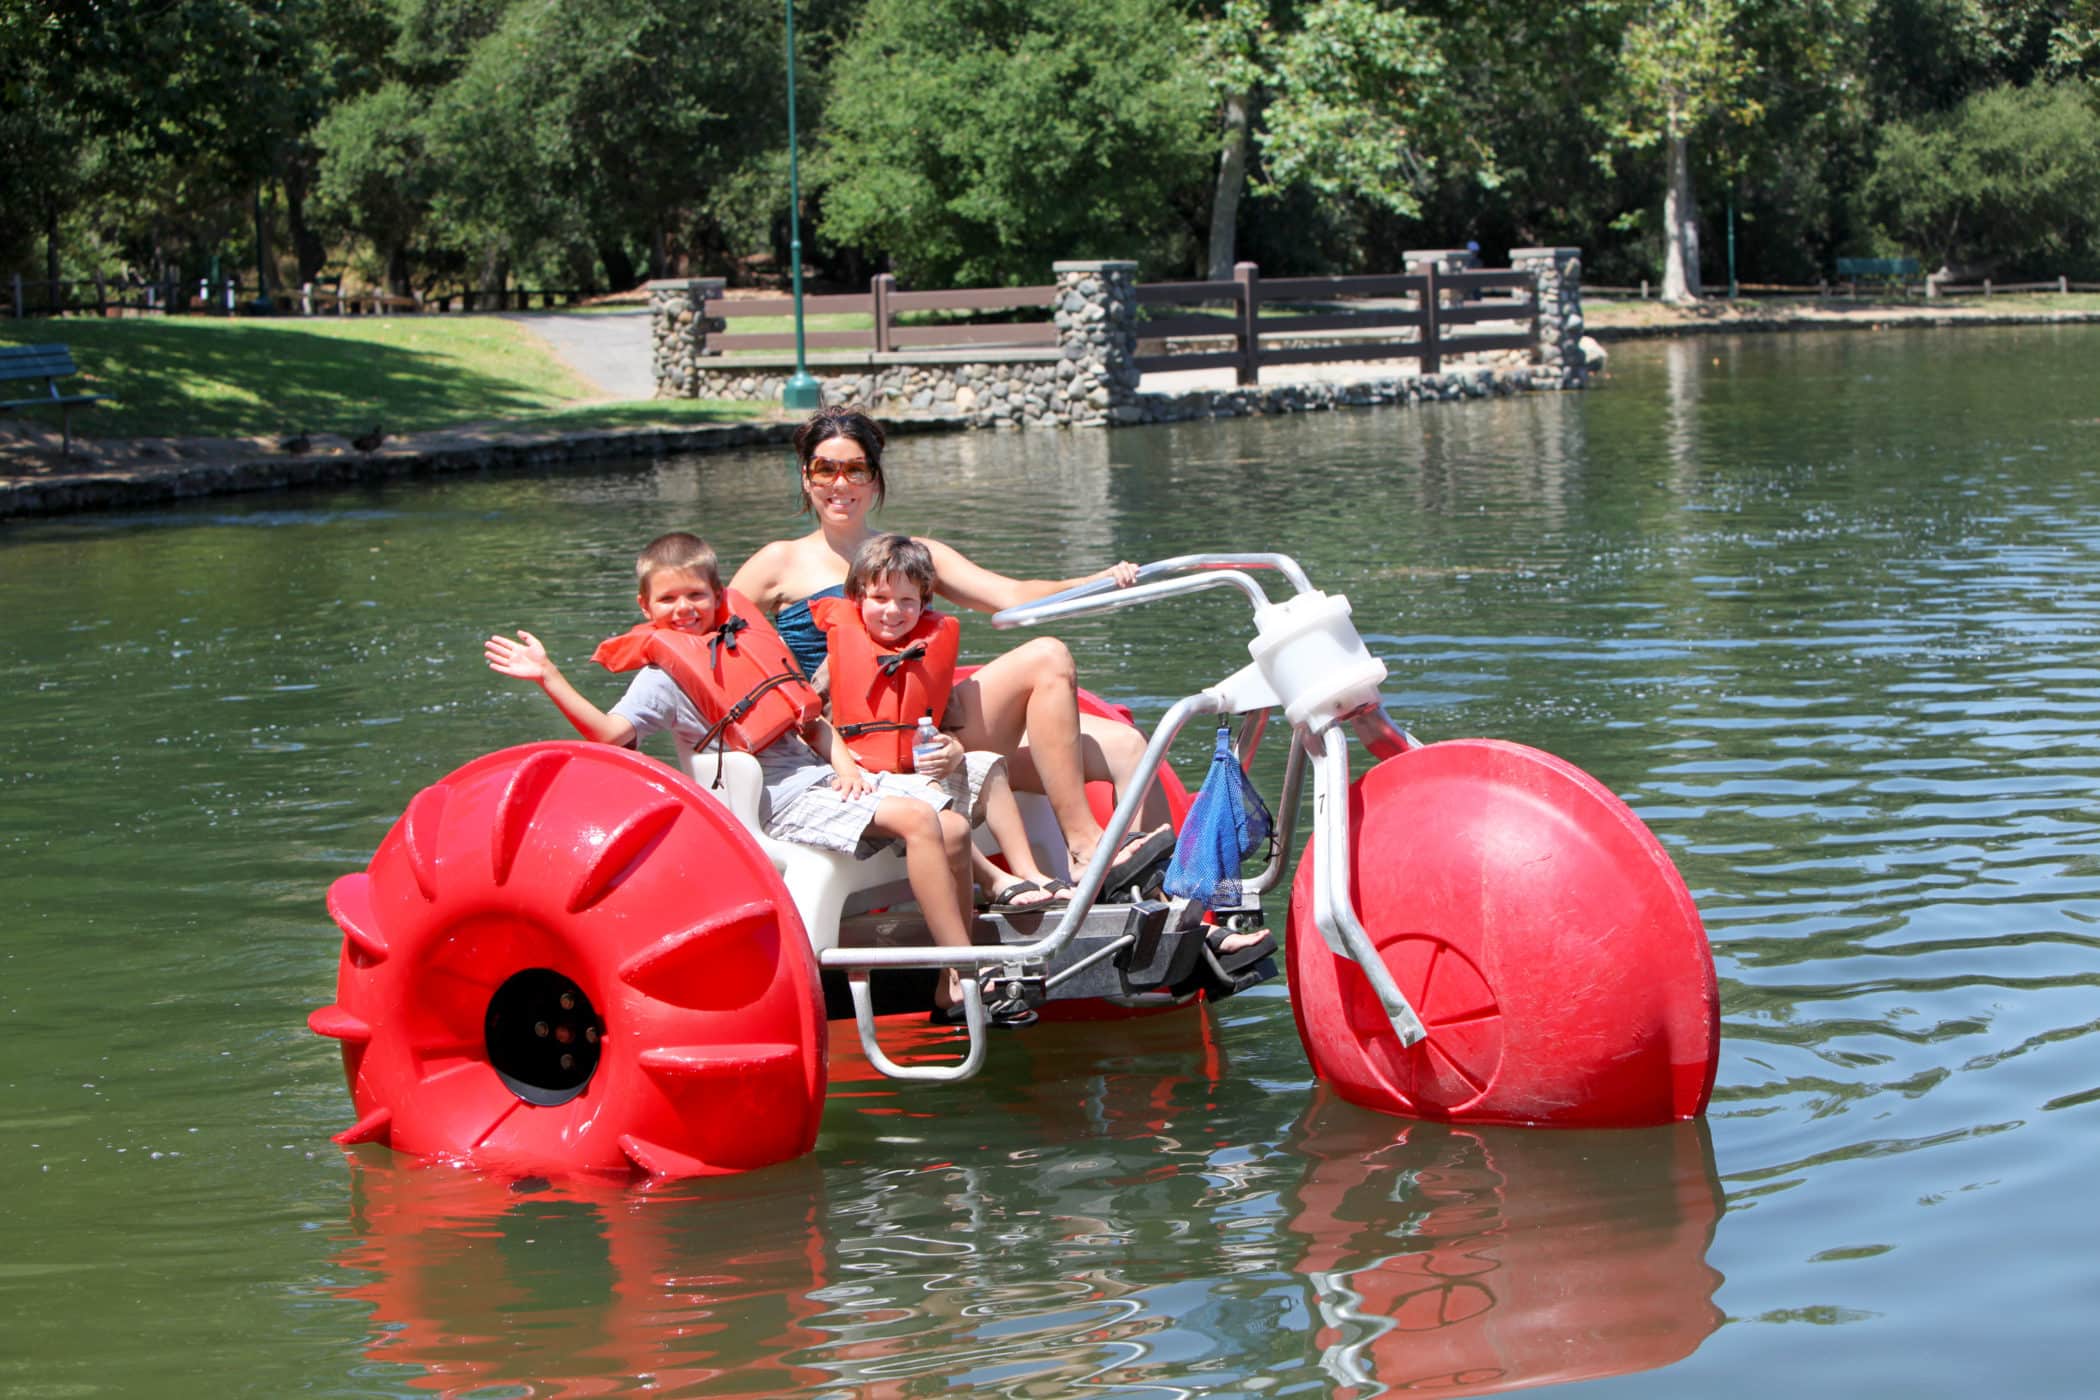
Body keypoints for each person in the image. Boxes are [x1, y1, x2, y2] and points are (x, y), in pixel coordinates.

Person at [484, 531, 1032, 1027]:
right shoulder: (659, 679)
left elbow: (809, 719)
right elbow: (610, 734)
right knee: (918, 818)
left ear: (718, 596)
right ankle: (964, 971)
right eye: (668, 599)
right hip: (778, 801)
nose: (684, 609)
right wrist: (549, 676)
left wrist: (845, 766)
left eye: (696, 595)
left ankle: (947, 985)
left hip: (824, 778)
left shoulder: (748, 641)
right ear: (646, 608)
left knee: (952, 826)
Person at [730, 406, 1174, 895]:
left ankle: (1159, 896)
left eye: (855, 469)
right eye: (825, 469)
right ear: (806, 477)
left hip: (932, 734)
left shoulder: (912, 555)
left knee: (1129, 746)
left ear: (875, 479)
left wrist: (1095, 581)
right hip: (849, 743)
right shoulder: (778, 562)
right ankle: (1085, 847)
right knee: (1047, 655)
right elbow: (715, 645)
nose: (841, 483)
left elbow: (1010, 595)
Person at [814, 532, 1074, 911]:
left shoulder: (925, 656)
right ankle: (993, 880)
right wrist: (844, 766)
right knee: (929, 802)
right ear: (857, 598)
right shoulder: (837, 659)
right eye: (880, 599)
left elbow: (946, 726)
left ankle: (1028, 870)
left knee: (987, 765)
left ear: (923, 604)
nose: (893, 611)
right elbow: (809, 721)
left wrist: (952, 749)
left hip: (916, 770)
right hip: (868, 782)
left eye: (907, 601)